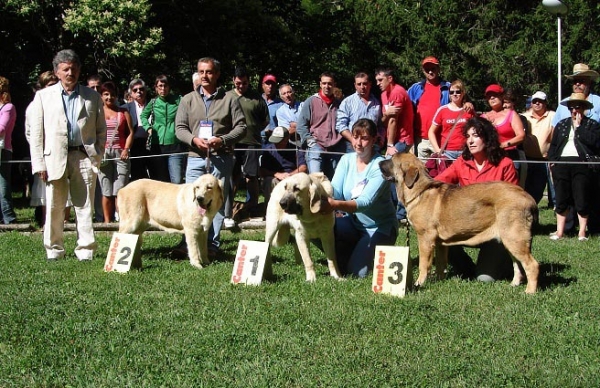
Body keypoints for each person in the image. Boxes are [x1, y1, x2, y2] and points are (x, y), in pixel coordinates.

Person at [28, 49, 106, 261]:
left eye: (73, 68)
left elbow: (101, 130)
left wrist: (97, 156)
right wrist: (39, 164)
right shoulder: (42, 97)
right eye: (65, 69)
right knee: (54, 206)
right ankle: (54, 250)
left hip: (83, 156)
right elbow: (35, 134)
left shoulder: (92, 96)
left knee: (85, 206)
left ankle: (86, 250)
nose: (70, 72)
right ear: (57, 71)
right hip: (54, 158)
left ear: (79, 70)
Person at [175, 57, 246, 256]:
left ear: (217, 74)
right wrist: (193, 140)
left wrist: (222, 140)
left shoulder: (230, 99)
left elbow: (241, 127)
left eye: (209, 72)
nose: (205, 76)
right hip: (195, 156)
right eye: (201, 72)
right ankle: (188, 243)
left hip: (221, 157)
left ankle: (212, 245)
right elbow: (179, 128)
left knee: (215, 201)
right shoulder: (187, 99)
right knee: (192, 200)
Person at [436, 117, 518, 282]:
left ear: (487, 138)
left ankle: (505, 263)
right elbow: (438, 182)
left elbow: (513, 203)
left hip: (495, 229)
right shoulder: (461, 162)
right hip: (467, 226)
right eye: (467, 136)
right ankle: (465, 268)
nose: (470, 141)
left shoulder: (505, 164)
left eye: (476, 136)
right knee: (439, 233)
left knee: (484, 279)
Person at [319, 118, 398, 278]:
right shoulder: (346, 160)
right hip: (354, 224)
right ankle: (353, 256)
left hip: (379, 228)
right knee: (317, 227)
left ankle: (353, 259)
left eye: (364, 138)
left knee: (357, 273)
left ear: (375, 139)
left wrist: (334, 205)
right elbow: (335, 191)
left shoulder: (382, 166)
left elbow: (365, 203)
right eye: (356, 137)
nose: (358, 143)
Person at [551, 63, 600, 234]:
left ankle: (585, 230)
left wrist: (581, 129)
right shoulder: (563, 110)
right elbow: (555, 137)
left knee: (584, 196)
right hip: (563, 160)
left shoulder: (598, 104)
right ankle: (563, 229)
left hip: (588, 159)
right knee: (562, 195)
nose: (578, 84)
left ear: (589, 82)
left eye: (581, 81)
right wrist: (552, 160)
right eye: (575, 81)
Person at [26, 71, 73, 226]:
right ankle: (48, 223)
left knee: (66, 190)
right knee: (47, 193)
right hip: (47, 154)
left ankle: (65, 221)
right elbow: (31, 133)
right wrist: (41, 155)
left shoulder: (65, 100)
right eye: (50, 85)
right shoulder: (35, 105)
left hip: (65, 153)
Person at [227, 67, 269, 219]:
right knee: (232, 175)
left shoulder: (257, 98)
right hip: (231, 143)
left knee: (251, 176)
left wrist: (253, 129)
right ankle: (228, 207)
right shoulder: (227, 97)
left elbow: (265, 120)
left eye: (244, 83)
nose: (241, 86)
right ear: (233, 81)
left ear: (248, 81)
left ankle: (252, 206)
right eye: (238, 83)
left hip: (252, 142)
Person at [296, 72, 343, 180]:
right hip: (316, 146)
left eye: (330, 83)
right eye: (324, 83)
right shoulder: (311, 101)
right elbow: (301, 125)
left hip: (334, 148)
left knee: (334, 182)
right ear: (320, 84)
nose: (327, 86)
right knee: (316, 181)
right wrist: (309, 140)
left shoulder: (339, 104)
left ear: (334, 84)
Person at [98, 81, 134, 223]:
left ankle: (122, 221)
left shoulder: (123, 112)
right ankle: (107, 223)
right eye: (106, 94)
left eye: (112, 95)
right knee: (106, 189)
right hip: (103, 153)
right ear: (101, 96)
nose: (109, 97)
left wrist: (126, 149)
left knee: (120, 190)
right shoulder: (97, 112)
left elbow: (131, 132)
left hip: (120, 153)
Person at [141, 75, 184, 184]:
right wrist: (148, 128)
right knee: (161, 180)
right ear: (155, 88)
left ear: (169, 87)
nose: (163, 89)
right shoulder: (153, 102)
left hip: (175, 144)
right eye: (160, 86)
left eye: (165, 86)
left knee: (177, 180)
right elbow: (143, 116)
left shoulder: (178, 100)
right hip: (157, 145)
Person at [407, 56, 451, 158]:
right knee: (423, 172)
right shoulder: (416, 88)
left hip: (441, 139)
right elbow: (404, 105)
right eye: (427, 69)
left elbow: (460, 104)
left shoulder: (448, 88)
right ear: (423, 71)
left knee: (442, 171)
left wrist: (467, 104)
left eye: (433, 69)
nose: (430, 72)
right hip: (421, 139)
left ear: (438, 69)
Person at [481, 84, 525, 173]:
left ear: (502, 96)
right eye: (489, 96)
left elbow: (521, 136)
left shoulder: (511, 114)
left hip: (510, 156)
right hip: (490, 157)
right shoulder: (483, 117)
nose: (492, 98)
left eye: (495, 95)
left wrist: (503, 145)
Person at [428, 79, 474, 160]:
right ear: (449, 94)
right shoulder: (442, 110)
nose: (455, 94)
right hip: (447, 152)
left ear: (463, 93)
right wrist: (437, 150)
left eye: (458, 91)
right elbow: (431, 131)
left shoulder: (469, 110)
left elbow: (476, 130)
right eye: (452, 92)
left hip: (465, 151)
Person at [260, 126, 307, 205]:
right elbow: (262, 171)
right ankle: (269, 208)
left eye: (279, 141)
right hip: (275, 178)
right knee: (270, 181)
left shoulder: (295, 149)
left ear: (286, 138)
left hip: (292, 178)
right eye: (275, 141)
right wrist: (277, 174)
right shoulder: (268, 150)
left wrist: (290, 175)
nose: (276, 143)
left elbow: (303, 167)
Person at [336, 72, 382, 152]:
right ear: (355, 85)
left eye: (365, 83)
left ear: (370, 84)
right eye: (359, 84)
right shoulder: (348, 102)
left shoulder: (377, 103)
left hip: (372, 146)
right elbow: (340, 125)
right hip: (352, 146)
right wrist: (354, 140)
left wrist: (382, 137)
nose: (362, 87)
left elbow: (380, 125)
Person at [523, 91, 555, 204]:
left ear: (545, 103)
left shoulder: (553, 116)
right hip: (526, 159)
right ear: (531, 103)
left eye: (540, 101)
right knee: (525, 189)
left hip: (544, 160)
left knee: (538, 189)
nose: (537, 103)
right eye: (534, 101)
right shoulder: (523, 117)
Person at [375, 66, 413, 158]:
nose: (377, 83)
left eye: (380, 80)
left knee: (388, 165)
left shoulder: (397, 92)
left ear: (390, 78)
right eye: (376, 81)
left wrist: (390, 145)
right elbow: (384, 122)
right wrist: (387, 114)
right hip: (392, 138)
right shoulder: (383, 95)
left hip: (402, 139)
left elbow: (392, 120)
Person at [122, 78, 155, 181]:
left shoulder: (154, 104)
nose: (139, 92)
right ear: (131, 93)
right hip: (135, 148)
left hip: (153, 145)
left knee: (156, 177)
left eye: (141, 89)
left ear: (145, 90)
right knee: (138, 178)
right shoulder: (125, 108)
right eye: (135, 90)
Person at [0, 76, 17, 224]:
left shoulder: (8, 107)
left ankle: (8, 217)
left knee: (2, 184)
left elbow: (2, 129)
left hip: (3, 149)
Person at [261, 74, 283, 142]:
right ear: (263, 85)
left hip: (274, 140)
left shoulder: (281, 104)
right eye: (267, 84)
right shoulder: (256, 101)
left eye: (272, 84)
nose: (270, 86)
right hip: (257, 139)